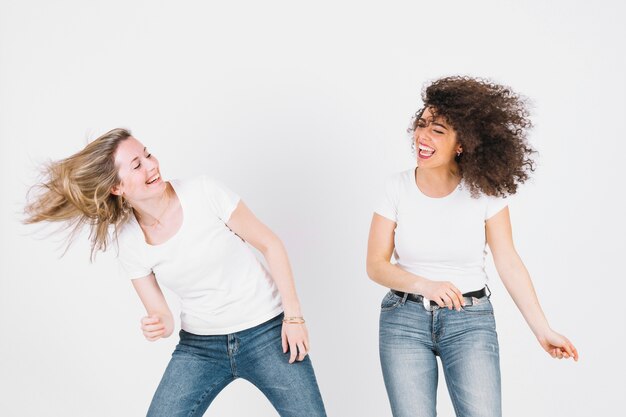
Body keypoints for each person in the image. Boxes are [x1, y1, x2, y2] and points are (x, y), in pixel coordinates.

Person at [24, 128, 327, 417]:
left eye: (148, 155)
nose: (151, 166)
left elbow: (270, 244)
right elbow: (162, 313)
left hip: (267, 332)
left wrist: (294, 317)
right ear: (116, 187)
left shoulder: (203, 191)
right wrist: (159, 324)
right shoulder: (129, 240)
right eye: (136, 165)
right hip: (201, 347)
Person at [366, 76, 578, 417]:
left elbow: (508, 261)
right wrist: (426, 285)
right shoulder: (396, 188)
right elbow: (376, 264)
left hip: (469, 321)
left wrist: (543, 329)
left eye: (437, 130)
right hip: (403, 320)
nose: (423, 136)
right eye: (421, 126)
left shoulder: (484, 194)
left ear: (461, 143)